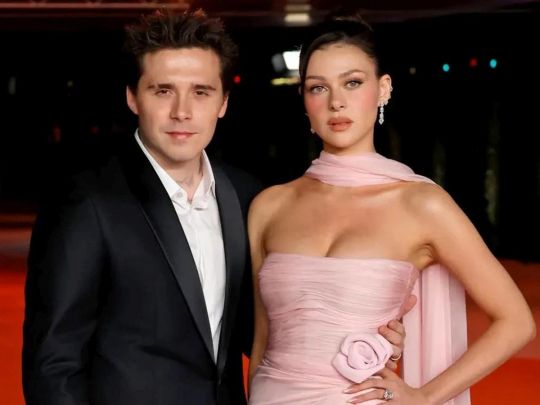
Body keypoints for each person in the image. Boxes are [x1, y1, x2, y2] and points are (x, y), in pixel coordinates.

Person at [22, 9, 408, 405]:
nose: (182, 111)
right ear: (132, 97)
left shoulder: (245, 196)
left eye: (201, 92)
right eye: (163, 91)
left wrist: (365, 332)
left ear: (223, 102)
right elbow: (53, 364)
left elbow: (265, 330)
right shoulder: (86, 202)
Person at [247, 15, 535, 405]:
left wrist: (425, 396)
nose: (336, 102)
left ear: (383, 89)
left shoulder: (421, 204)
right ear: (305, 101)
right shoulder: (269, 206)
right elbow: (262, 341)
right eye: (318, 87)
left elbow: (516, 322)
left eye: (352, 82)